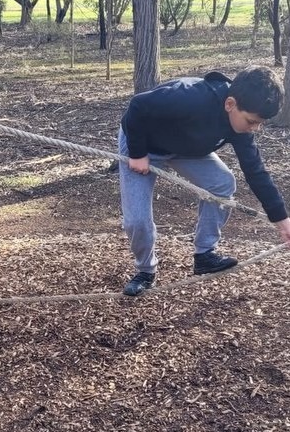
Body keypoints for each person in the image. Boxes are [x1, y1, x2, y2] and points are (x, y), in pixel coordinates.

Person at [119, 67, 290, 296]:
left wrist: (281, 219)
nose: (254, 128)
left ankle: (204, 255)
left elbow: (255, 171)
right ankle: (145, 270)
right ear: (230, 104)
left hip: (186, 148)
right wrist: (138, 152)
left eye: (259, 124)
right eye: (252, 121)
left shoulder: (241, 128)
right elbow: (138, 106)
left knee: (222, 182)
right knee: (137, 220)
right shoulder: (191, 97)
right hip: (142, 144)